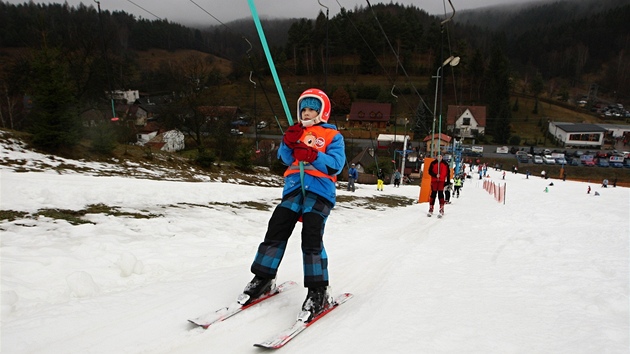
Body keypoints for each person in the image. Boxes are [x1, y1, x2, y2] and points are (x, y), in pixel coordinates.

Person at [240, 88, 346, 322]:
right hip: (294, 190)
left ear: (322, 111)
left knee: (311, 236)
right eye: (304, 109)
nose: (307, 113)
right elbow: (285, 159)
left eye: (312, 109)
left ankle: (319, 291)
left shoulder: (332, 136)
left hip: (319, 191)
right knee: (276, 228)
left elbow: (336, 165)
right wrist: (289, 142)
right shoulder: (296, 132)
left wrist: (312, 155)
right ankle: (264, 278)